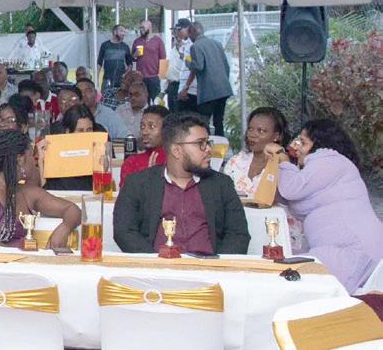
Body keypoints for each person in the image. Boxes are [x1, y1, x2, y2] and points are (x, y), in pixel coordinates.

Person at [266, 118, 383, 293]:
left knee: (293, 282)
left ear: (320, 144)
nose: (296, 147)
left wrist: (282, 157)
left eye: (303, 142)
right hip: (340, 249)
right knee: (290, 278)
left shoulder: (329, 159)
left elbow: (291, 189)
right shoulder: (319, 168)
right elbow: (284, 194)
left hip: (354, 251)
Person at [113, 112, 249, 256]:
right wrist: (154, 261)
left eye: (208, 143)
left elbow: (238, 235)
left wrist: (217, 264)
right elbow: (124, 231)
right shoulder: (138, 183)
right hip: (158, 266)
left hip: (209, 266)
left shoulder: (221, 184)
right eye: (201, 143)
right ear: (176, 150)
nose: (209, 149)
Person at [0, 130, 81, 250]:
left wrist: (64, 228)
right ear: (20, 160)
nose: (35, 160)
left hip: (23, 259)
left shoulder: (27, 192)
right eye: (31, 156)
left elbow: (73, 209)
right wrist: (20, 254)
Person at [223, 107, 289, 198]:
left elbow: (290, 192)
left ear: (276, 136)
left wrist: (281, 154)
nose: (252, 135)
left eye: (261, 131)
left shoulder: (283, 165)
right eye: (250, 129)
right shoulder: (236, 162)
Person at [181, 21, 232, 137]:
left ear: (192, 33)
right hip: (223, 88)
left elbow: (198, 66)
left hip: (209, 91)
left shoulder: (195, 46)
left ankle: (206, 143)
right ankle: (220, 143)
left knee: (204, 121)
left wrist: (188, 61)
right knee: (219, 121)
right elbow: (226, 66)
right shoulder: (217, 43)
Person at [38, 105, 99, 192]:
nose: (86, 135)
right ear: (68, 132)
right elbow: (45, 191)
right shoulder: (56, 154)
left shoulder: (97, 153)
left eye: (89, 130)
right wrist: (41, 161)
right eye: (80, 130)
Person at [119, 105, 169, 180]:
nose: (144, 132)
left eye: (151, 126)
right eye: (142, 126)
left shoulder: (175, 162)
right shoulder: (131, 163)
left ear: (167, 129)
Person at [132, 18, 166, 101]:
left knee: (156, 101)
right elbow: (132, 58)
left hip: (154, 77)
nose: (141, 30)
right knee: (141, 101)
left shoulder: (158, 41)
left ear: (150, 27)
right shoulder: (137, 41)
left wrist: (162, 78)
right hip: (140, 77)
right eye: (140, 28)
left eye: (143, 28)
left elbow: (163, 59)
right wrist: (135, 55)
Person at [165, 19, 194, 111]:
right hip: (171, 85)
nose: (175, 33)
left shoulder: (189, 46)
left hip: (181, 85)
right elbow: (167, 67)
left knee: (180, 113)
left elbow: (190, 66)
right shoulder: (173, 48)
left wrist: (181, 51)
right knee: (172, 113)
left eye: (178, 30)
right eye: (174, 31)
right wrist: (164, 88)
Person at [97, 24, 132, 94]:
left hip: (121, 81)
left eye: (124, 32)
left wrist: (125, 74)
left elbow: (130, 64)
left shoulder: (125, 47)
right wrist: (96, 78)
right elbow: (99, 63)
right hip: (107, 79)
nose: (123, 33)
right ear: (115, 32)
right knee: (105, 99)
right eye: (121, 31)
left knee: (121, 100)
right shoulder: (105, 45)